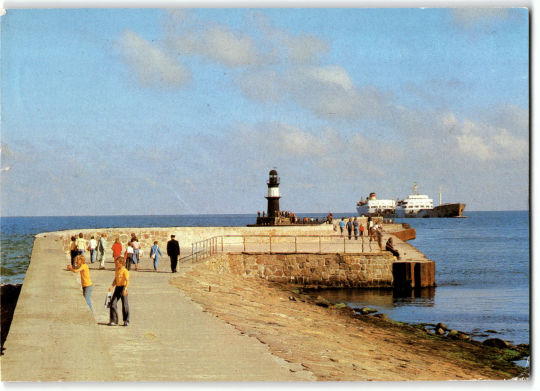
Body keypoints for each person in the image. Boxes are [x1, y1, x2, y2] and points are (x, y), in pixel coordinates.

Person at [108, 257, 130, 326]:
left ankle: (126, 320)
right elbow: (115, 279)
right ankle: (114, 320)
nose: (116, 264)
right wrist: (111, 286)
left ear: (121, 263)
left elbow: (127, 281)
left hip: (123, 288)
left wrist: (125, 289)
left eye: (117, 263)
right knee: (112, 303)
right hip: (117, 287)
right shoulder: (117, 270)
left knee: (125, 305)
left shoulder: (125, 271)